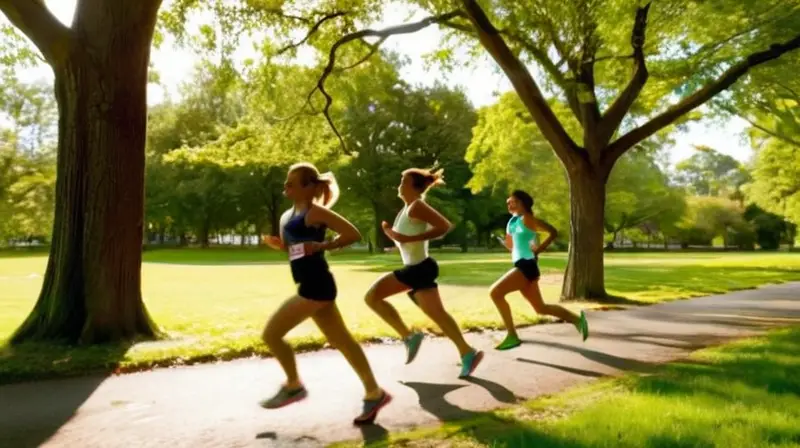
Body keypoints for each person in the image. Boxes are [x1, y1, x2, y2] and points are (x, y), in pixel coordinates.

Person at [260, 162, 391, 425]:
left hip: (316, 286)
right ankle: (374, 392)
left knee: (271, 334)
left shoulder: (316, 212)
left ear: (308, 187)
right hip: (310, 283)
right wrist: (280, 246)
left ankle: (294, 385)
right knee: (343, 341)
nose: (286, 185)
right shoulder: (288, 215)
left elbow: (352, 234)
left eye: (292, 182)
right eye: (286, 181)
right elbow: (294, 249)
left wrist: (322, 245)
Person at [364, 167, 484, 379]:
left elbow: (444, 226)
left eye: (404, 182)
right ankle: (467, 353)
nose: (399, 185)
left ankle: (409, 337)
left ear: (414, 187)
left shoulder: (417, 206)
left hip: (418, 269)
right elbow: (406, 238)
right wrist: (393, 235)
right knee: (438, 315)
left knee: (372, 297)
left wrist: (408, 239)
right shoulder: (407, 208)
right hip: (420, 267)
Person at [490, 190, 589, 351]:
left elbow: (552, 232)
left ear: (522, 203)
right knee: (541, 308)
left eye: (512, 202)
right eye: (507, 203)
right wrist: (505, 242)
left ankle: (512, 336)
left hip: (526, 265)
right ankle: (578, 320)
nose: (509, 205)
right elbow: (512, 247)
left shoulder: (528, 218)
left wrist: (538, 250)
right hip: (521, 264)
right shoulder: (512, 222)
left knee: (495, 293)